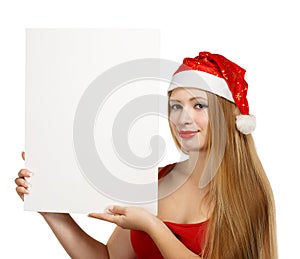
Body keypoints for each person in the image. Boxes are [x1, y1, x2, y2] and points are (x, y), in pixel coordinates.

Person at [15, 51, 278, 258]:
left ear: (227, 116)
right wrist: (52, 212)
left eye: (199, 105)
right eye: (175, 106)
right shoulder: (156, 180)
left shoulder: (249, 192)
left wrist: (152, 226)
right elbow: (109, 258)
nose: (183, 118)